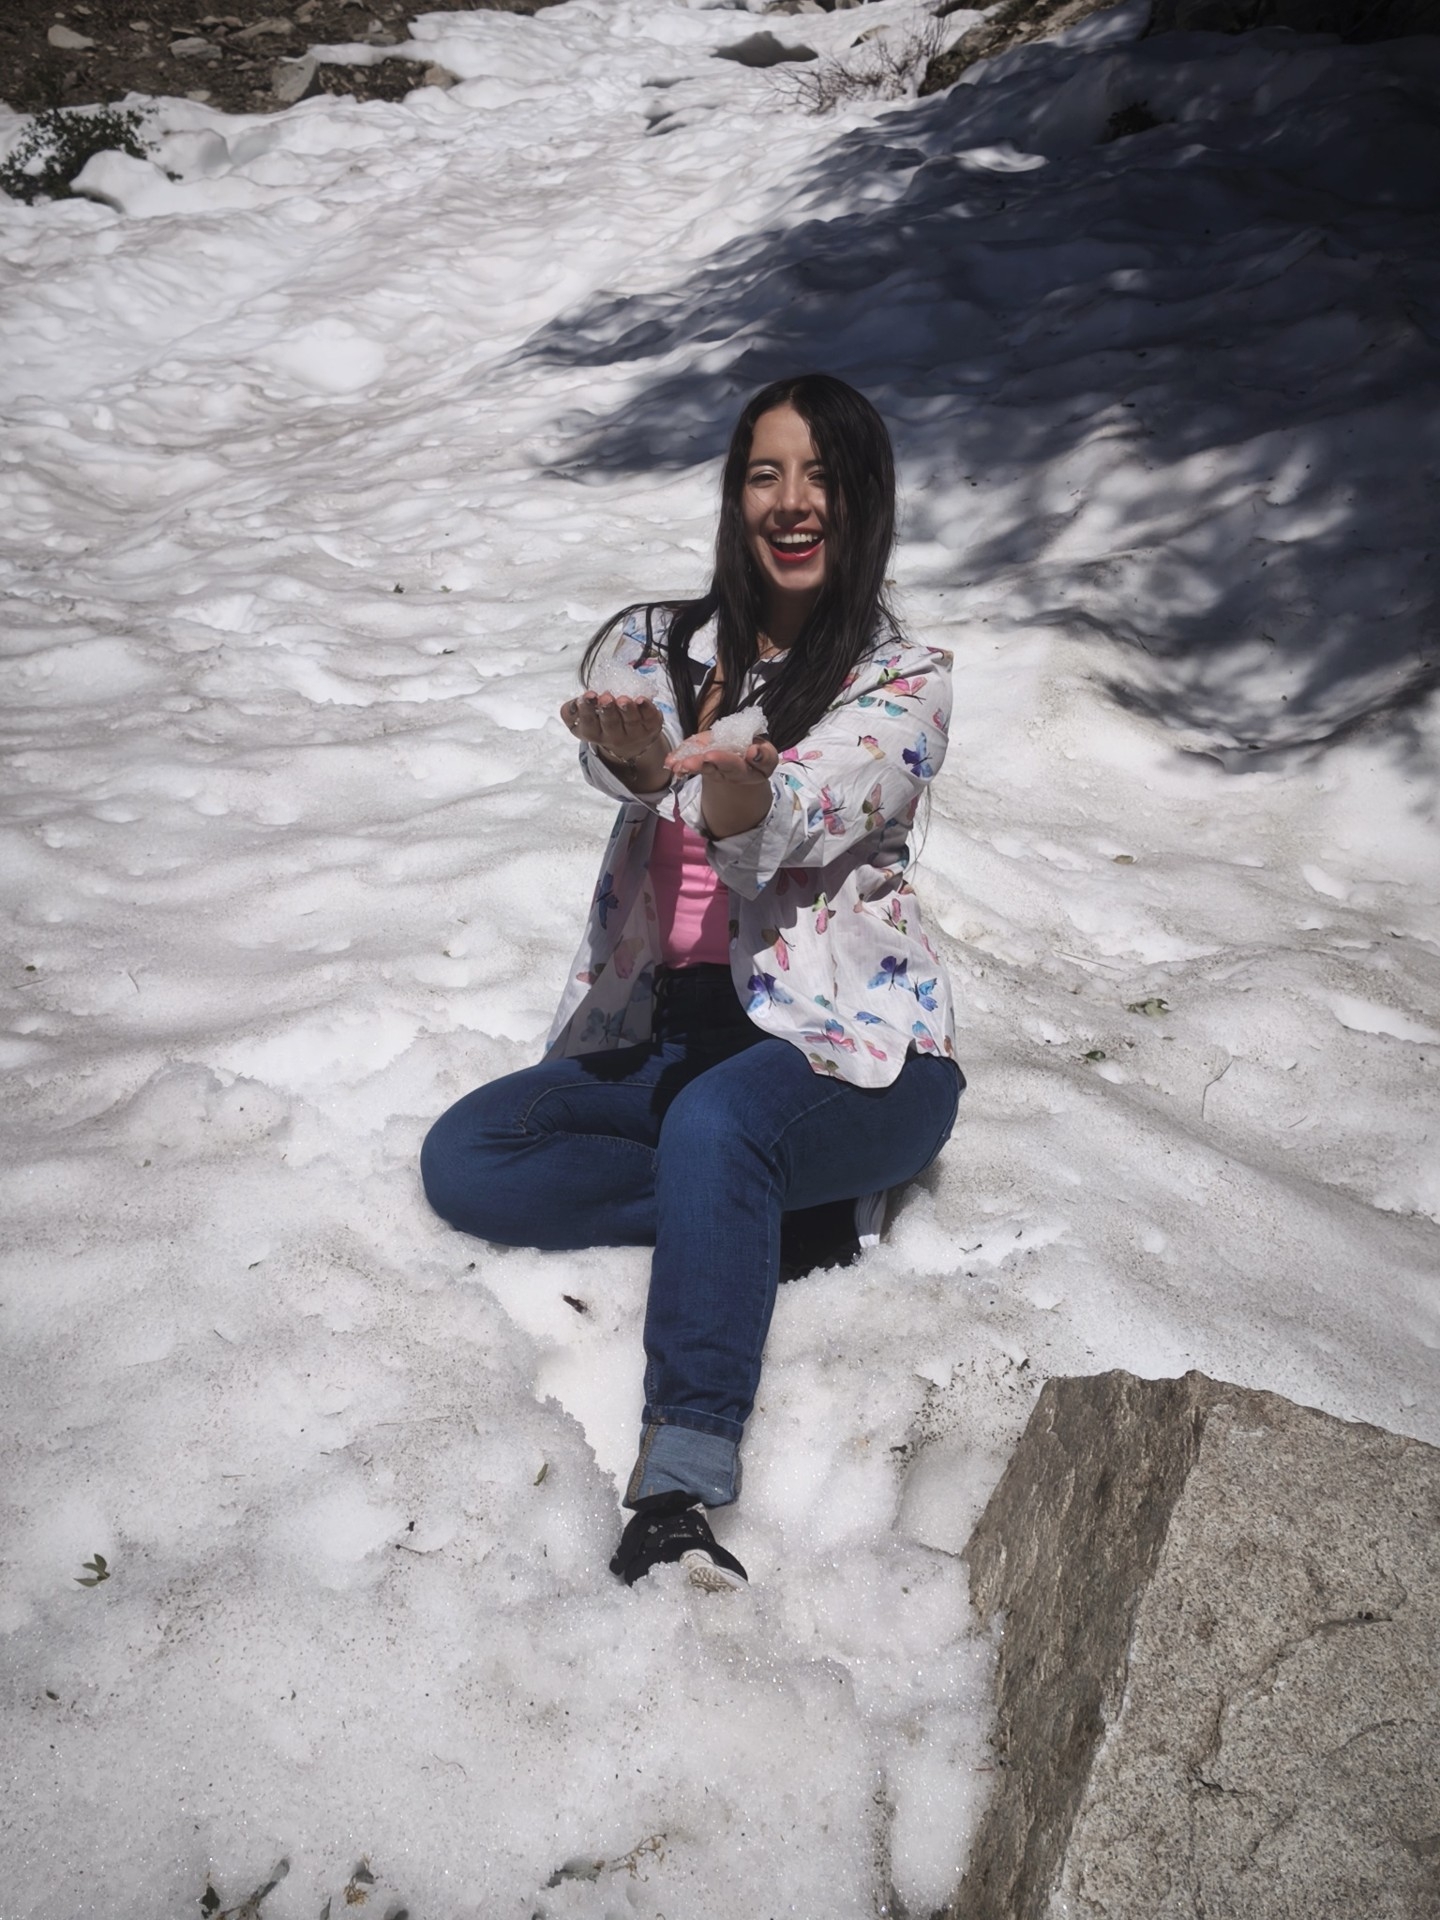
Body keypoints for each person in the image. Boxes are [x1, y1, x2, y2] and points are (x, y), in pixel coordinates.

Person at [421, 373, 963, 1590]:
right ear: (734, 495)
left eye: (822, 476)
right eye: (766, 474)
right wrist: (637, 765)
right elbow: (626, 749)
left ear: (865, 500)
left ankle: (679, 1478)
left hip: (855, 1057)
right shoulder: (659, 644)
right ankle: (758, 1213)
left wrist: (729, 781)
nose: (792, 501)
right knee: (470, 1156)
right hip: (680, 1038)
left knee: (721, 1125)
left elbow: (796, 812)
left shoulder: (902, 678)